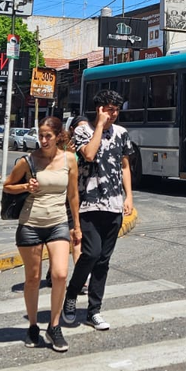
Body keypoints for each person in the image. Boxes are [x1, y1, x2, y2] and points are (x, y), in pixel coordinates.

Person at [4, 117, 81, 352]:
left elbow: (73, 195)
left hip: (58, 222)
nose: (44, 140)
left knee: (60, 274)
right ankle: (33, 326)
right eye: (41, 135)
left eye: (48, 136)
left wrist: (77, 226)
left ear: (58, 136)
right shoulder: (28, 160)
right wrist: (25, 187)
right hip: (30, 224)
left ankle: (54, 326)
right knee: (33, 278)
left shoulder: (69, 159)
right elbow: (7, 185)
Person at [62, 89, 134, 331]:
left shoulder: (122, 133)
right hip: (88, 204)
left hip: (113, 205)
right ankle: (72, 294)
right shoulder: (83, 131)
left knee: (103, 260)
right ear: (99, 109)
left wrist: (129, 196)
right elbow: (90, 155)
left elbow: (125, 166)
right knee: (91, 253)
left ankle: (94, 311)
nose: (113, 114)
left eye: (116, 110)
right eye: (108, 110)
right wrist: (100, 126)